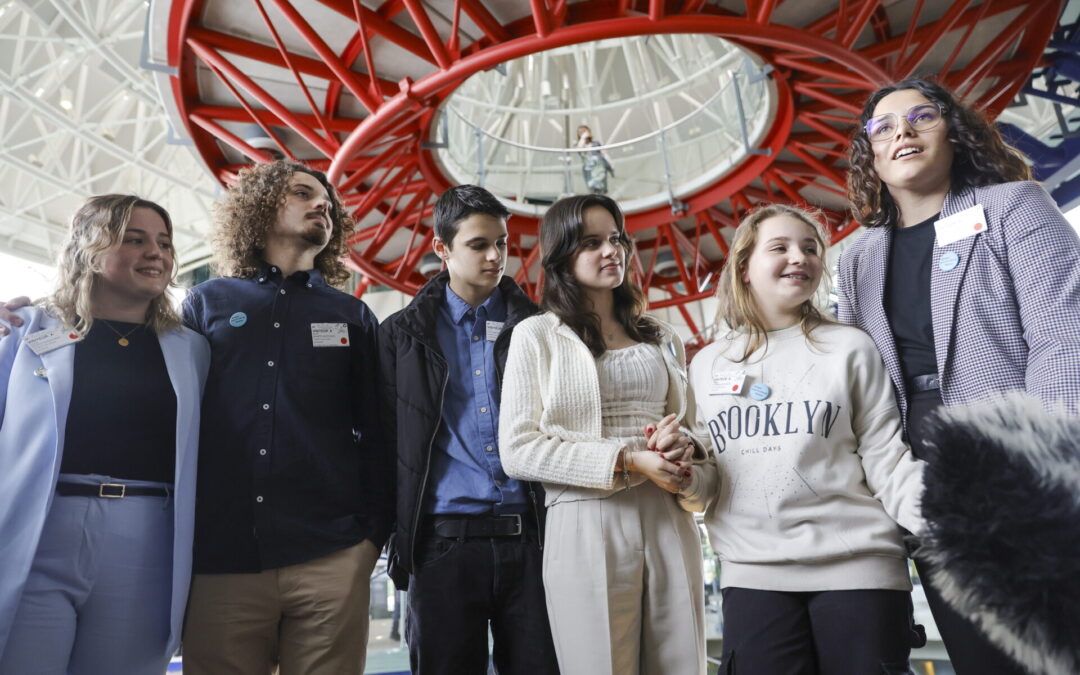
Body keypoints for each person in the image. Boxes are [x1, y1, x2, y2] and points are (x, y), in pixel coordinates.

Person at [839, 77, 1080, 674]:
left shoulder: (1012, 205)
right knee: (981, 652)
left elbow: (1063, 334)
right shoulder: (858, 256)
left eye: (922, 117)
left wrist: (1046, 461)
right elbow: (849, 370)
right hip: (913, 466)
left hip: (1010, 446)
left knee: (1052, 643)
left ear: (955, 132)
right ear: (871, 152)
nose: (903, 132)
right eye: (884, 126)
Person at [689, 203, 926, 674]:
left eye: (811, 248)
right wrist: (680, 471)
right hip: (753, 575)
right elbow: (707, 477)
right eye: (779, 247)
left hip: (860, 570)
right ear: (744, 267)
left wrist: (955, 522)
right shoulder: (708, 365)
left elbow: (886, 459)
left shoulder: (850, 347)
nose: (799, 257)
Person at [178, 161, 389, 674]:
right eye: (302, 193)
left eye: (329, 204)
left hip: (331, 556)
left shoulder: (352, 316)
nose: (323, 206)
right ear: (261, 206)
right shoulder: (207, 302)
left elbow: (379, 435)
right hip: (221, 559)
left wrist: (368, 543)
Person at [499, 193, 713, 675]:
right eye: (591, 242)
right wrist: (628, 459)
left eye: (616, 238)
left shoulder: (662, 336)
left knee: (683, 663)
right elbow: (518, 450)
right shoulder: (536, 335)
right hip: (583, 515)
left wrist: (686, 447)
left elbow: (696, 430)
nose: (611, 250)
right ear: (561, 256)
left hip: (667, 512)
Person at [0, 195, 209, 674]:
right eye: (134, 240)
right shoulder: (24, 329)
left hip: (146, 542)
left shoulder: (193, 351)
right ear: (89, 251)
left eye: (163, 242)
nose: (155, 253)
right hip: (39, 529)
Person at [377, 185, 558, 675]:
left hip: (533, 542)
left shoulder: (539, 328)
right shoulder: (400, 336)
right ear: (442, 249)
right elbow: (385, 442)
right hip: (441, 546)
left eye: (501, 243)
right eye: (478, 245)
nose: (496, 256)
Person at [576, 125, 614, 195]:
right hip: (589, 170)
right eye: (580, 132)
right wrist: (583, 138)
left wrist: (611, 166)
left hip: (599, 168)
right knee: (591, 187)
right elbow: (579, 149)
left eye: (584, 131)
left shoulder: (597, 143)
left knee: (601, 187)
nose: (583, 133)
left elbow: (605, 154)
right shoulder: (579, 144)